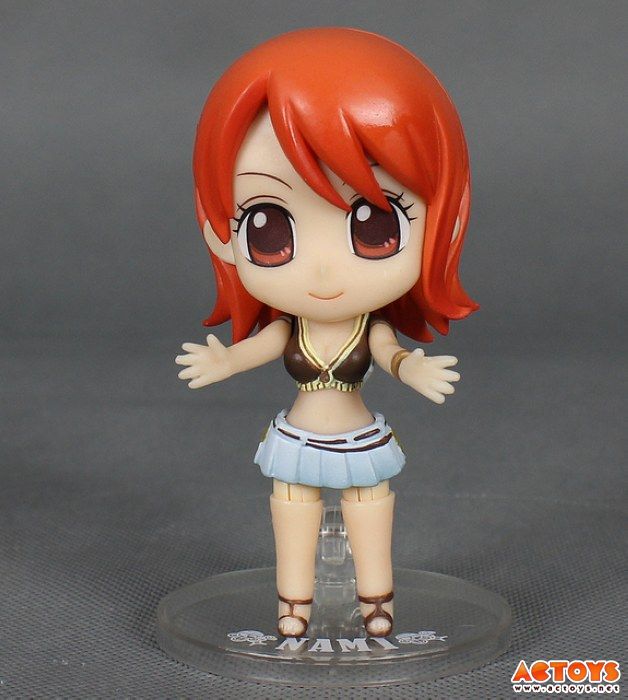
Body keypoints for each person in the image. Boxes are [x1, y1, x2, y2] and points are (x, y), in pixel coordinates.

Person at [176, 28, 477, 637]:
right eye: (267, 228)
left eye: (375, 226)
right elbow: (262, 346)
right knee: (293, 512)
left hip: (358, 436)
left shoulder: (368, 326)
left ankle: (376, 602)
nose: (321, 272)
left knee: (370, 510)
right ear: (219, 233)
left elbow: (388, 352)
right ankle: (293, 606)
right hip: (300, 436)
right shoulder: (292, 328)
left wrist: (412, 367)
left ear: (442, 220)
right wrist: (224, 362)